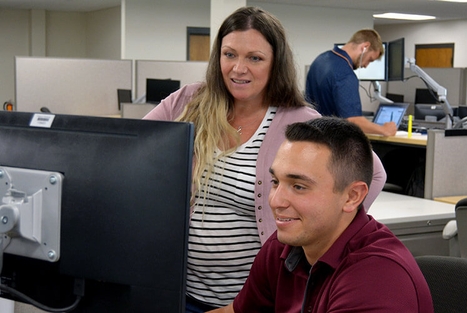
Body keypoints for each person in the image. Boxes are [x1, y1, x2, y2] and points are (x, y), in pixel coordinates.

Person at [143, 7, 387, 312]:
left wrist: (327, 228)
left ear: (275, 63)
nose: (238, 69)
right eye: (229, 55)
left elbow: (373, 174)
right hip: (179, 290)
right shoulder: (190, 102)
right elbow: (135, 147)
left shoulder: (298, 121)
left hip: (251, 301)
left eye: (254, 58)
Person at [209, 117, 433, 313]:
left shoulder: (379, 279)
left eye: (298, 186)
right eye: (276, 182)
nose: (276, 201)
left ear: (352, 196)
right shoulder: (283, 247)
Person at [305, 29, 398, 136]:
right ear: (365, 47)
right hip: (332, 140)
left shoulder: (320, 60)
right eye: (370, 59)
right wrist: (384, 129)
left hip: (313, 135)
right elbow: (353, 121)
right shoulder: (345, 74)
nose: (366, 66)